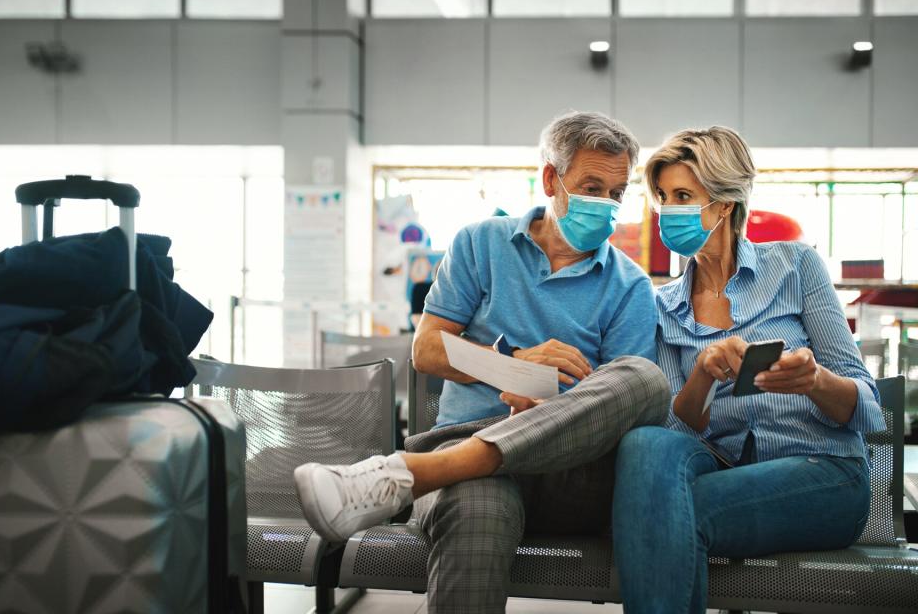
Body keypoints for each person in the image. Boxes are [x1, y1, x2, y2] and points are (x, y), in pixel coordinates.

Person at [294, 111, 671, 613]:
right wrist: (512, 366)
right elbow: (426, 351)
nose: (604, 205)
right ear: (550, 179)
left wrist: (544, 400)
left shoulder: (630, 286)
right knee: (476, 508)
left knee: (646, 379)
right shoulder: (480, 245)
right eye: (591, 186)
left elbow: (626, 407)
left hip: (567, 475)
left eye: (616, 193)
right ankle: (443, 468)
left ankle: (407, 474)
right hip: (472, 472)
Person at [612, 126, 886, 613]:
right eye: (661, 196)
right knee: (647, 442)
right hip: (726, 470)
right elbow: (680, 429)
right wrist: (701, 373)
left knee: (661, 515)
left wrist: (814, 380)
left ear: (723, 204)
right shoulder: (662, 306)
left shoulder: (796, 267)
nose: (666, 210)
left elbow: (866, 406)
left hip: (823, 473)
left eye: (682, 195)